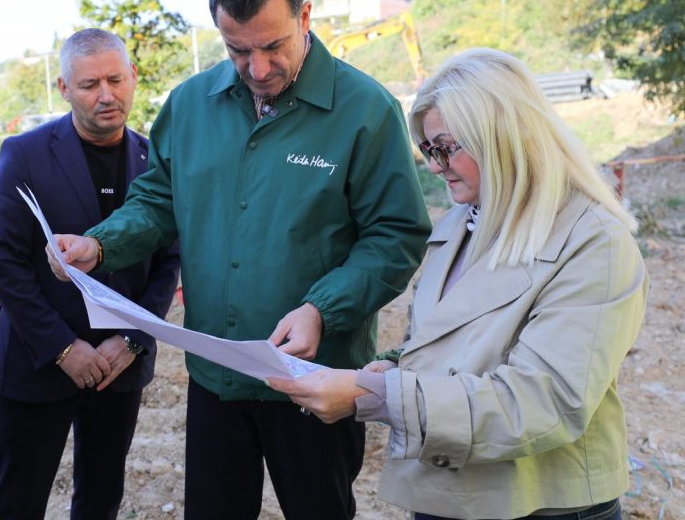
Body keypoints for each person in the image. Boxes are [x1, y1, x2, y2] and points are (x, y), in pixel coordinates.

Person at [51, 0, 431, 519]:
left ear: (305, 17)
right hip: (218, 376)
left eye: (273, 46)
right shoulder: (190, 105)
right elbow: (158, 200)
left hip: (316, 380)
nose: (256, 68)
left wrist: (322, 310)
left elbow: (395, 235)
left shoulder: (365, 111)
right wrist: (100, 243)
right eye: (237, 50)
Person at [269, 48, 648, 520]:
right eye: (429, 150)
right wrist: (386, 371)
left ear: (503, 137)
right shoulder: (459, 224)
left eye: (446, 148)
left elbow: (544, 400)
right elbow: (441, 344)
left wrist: (379, 396)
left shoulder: (594, 243)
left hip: (544, 504)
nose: (435, 165)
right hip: (453, 490)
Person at [0, 28, 180, 520]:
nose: (106, 95)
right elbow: (5, 263)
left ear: (133, 76)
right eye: (90, 84)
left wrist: (131, 340)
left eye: (115, 80)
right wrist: (63, 348)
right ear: (65, 88)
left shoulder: (156, 161)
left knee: (101, 500)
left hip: (118, 367)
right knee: (17, 504)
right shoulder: (25, 154)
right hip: (39, 363)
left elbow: (167, 261)